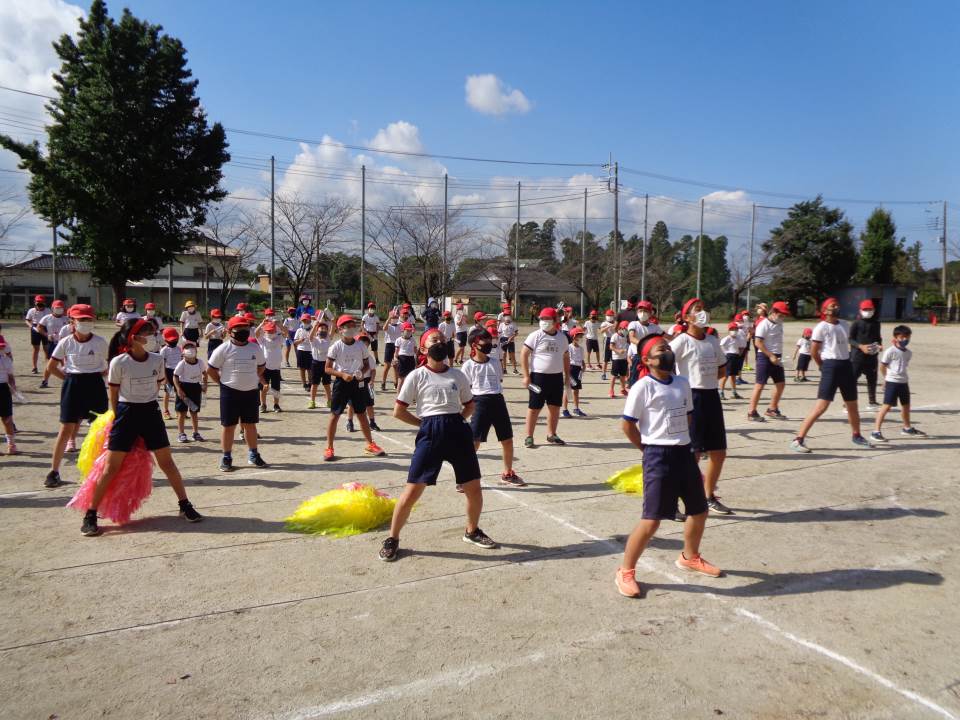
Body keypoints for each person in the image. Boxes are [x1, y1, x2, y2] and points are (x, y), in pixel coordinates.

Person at [615, 335, 721, 598]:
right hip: (658, 455)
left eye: (667, 348)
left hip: (683, 453)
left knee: (699, 511)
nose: (667, 353)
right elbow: (627, 424)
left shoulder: (683, 383)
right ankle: (625, 570)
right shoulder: (643, 387)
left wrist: (690, 446)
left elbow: (687, 416)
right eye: (660, 350)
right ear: (648, 360)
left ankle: (690, 556)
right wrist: (647, 449)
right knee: (651, 521)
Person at [379, 328, 498, 561]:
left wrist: (455, 421)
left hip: (458, 432)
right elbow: (398, 411)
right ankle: (393, 538)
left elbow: (470, 405)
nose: (440, 342)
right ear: (423, 348)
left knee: (473, 488)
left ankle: (472, 531)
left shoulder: (457, 374)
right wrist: (423, 425)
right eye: (434, 340)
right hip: (430, 433)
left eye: (442, 339)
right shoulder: (416, 375)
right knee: (412, 490)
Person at [79, 318, 202, 536]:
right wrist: (117, 419)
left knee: (167, 463)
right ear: (134, 338)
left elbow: (157, 384)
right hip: (126, 414)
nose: (155, 337)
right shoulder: (119, 362)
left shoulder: (156, 360)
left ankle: (185, 504)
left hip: (150, 413)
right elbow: (114, 395)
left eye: (155, 333)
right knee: (110, 468)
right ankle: (90, 513)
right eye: (149, 333)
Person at [670, 298, 731, 516]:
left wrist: (708, 379)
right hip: (691, 397)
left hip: (711, 396)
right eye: (697, 310)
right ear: (687, 318)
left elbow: (722, 370)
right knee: (691, 454)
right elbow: (664, 364)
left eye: (704, 309)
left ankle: (708, 496)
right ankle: (675, 500)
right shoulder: (681, 341)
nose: (703, 313)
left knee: (719, 452)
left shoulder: (713, 341)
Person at [790, 298, 874, 453]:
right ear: (824, 310)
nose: (836, 307)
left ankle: (856, 435)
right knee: (821, 406)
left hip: (845, 365)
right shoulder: (821, 327)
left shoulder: (844, 324)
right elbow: (814, 351)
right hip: (831, 365)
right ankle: (798, 439)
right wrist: (823, 366)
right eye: (832, 305)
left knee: (852, 405)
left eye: (837, 304)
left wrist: (861, 346)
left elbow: (850, 340)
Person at [44, 304, 109, 488]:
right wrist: (67, 379)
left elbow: (112, 363)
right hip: (73, 384)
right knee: (66, 428)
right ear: (72, 321)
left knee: (100, 430)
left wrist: (101, 375)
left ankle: (100, 470)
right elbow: (51, 367)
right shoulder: (66, 342)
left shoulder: (100, 342)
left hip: (95, 385)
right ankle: (54, 471)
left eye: (88, 319)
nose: (85, 323)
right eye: (81, 320)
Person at [207, 314, 268, 471]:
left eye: (245, 328)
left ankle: (253, 454)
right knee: (229, 426)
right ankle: (226, 457)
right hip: (230, 392)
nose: (243, 331)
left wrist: (253, 378)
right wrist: (222, 383)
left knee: (250, 425)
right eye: (238, 328)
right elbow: (211, 370)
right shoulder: (223, 349)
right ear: (229, 331)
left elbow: (261, 366)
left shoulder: (255, 347)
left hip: (250, 392)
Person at [323, 315, 386, 461]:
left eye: (352, 325)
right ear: (340, 329)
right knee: (335, 415)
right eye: (347, 326)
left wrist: (361, 373)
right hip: (341, 383)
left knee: (362, 413)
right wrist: (342, 374)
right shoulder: (336, 347)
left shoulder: (361, 346)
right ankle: (329, 448)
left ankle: (370, 445)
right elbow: (327, 368)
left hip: (358, 383)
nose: (350, 328)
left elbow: (365, 365)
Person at [521, 307, 570, 448]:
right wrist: (526, 376)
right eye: (542, 319)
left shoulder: (562, 337)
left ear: (555, 321)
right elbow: (524, 354)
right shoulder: (535, 335)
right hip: (538, 377)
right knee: (534, 407)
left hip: (556, 377)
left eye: (547, 319)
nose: (544, 321)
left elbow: (566, 357)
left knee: (554, 407)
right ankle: (529, 436)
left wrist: (567, 376)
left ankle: (551, 434)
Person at [872, 326, 924, 441]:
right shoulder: (890, 351)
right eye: (902, 337)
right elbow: (882, 366)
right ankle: (876, 431)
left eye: (907, 337)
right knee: (886, 406)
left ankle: (907, 428)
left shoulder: (908, 353)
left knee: (906, 406)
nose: (905, 339)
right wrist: (886, 379)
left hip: (903, 382)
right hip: (892, 382)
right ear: (896, 338)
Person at [746, 300, 791, 421]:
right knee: (760, 385)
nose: (783, 317)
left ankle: (772, 409)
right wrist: (770, 355)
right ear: (774, 312)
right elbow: (758, 342)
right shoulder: (764, 324)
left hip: (777, 357)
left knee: (780, 384)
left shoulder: (779, 324)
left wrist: (777, 356)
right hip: (764, 357)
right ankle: (751, 412)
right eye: (781, 315)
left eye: (784, 316)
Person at [849, 299, 882, 410]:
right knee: (852, 380)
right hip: (857, 357)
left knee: (872, 379)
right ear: (860, 310)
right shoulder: (856, 323)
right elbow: (850, 339)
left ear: (874, 310)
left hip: (872, 356)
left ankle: (872, 401)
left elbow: (878, 337)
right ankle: (848, 403)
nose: (867, 311)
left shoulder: (876, 323)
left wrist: (880, 345)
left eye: (870, 309)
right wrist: (860, 346)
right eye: (865, 309)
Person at [346, 331, 382, 433]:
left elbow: (373, 370)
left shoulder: (370, 358)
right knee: (352, 404)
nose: (364, 344)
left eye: (366, 342)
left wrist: (372, 380)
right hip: (354, 381)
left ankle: (372, 422)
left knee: (369, 404)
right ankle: (350, 422)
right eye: (361, 341)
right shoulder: (352, 356)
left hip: (366, 381)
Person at [172, 340, 207, 442]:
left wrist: (205, 384)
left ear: (196, 350)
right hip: (184, 388)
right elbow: (175, 376)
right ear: (183, 352)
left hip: (195, 388)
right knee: (182, 413)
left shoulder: (200, 362)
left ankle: (195, 433)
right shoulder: (182, 363)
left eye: (192, 347)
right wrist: (179, 389)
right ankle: (181, 434)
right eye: (187, 348)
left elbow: (204, 373)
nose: (190, 350)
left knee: (194, 412)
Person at [37, 300, 70, 389]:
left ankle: (67, 381)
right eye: (57, 308)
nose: (59, 310)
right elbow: (39, 327)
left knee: (65, 362)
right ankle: (45, 381)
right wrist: (46, 335)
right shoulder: (47, 318)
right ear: (52, 308)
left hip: (65, 343)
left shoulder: (66, 319)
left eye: (61, 308)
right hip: (53, 343)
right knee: (50, 363)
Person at [255, 319, 284, 412]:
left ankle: (276, 405)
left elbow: (286, 333)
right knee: (264, 387)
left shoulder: (279, 339)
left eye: (272, 330)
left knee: (276, 389)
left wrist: (279, 325)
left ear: (275, 330)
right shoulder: (262, 340)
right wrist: (262, 323)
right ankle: (263, 405)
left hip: (276, 368)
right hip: (265, 368)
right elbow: (256, 333)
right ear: (265, 331)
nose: (270, 332)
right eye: (268, 331)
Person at [562, 327, 587, 417]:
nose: (580, 338)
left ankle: (576, 408)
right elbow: (566, 359)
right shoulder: (569, 347)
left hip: (578, 370)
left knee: (576, 390)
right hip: (571, 369)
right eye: (579, 336)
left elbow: (581, 359)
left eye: (581, 336)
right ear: (573, 337)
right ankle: (565, 409)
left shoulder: (581, 348)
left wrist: (583, 365)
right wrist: (567, 372)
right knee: (568, 390)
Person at [307, 318, 332, 409]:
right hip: (315, 364)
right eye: (321, 328)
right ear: (317, 330)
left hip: (326, 364)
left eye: (325, 329)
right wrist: (315, 325)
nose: (323, 330)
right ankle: (312, 402)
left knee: (327, 384)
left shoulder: (328, 339)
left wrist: (333, 320)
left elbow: (332, 330)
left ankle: (329, 401)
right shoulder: (314, 339)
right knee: (314, 384)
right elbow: (310, 337)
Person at [159, 327, 182, 420]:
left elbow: (181, 361)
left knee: (178, 393)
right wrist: (165, 378)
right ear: (165, 340)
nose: (173, 341)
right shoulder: (164, 350)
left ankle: (178, 410)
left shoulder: (179, 349)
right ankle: (166, 411)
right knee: (168, 393)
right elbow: (162, 365)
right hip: (168, 372)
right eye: (171, 340)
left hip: (178, 373)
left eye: (175, 340)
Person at [24, 295, 51, 373]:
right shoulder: (31, 310)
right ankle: (34, 367)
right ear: (35, 302)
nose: (40, 303)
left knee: (46, 349)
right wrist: (31, 327)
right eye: (38, 302)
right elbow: (27, 320)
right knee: (36, 349)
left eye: (41, 302)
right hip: (35, 329)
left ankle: (48, 367)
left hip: (44, 328)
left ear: (44, 303)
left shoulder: (48, 310)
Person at [0, 337, 18, 455]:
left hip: (3, 389)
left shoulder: (6, 360)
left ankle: (11, 445)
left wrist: (13, 388)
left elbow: (10, 376)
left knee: (7, 419)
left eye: (1, 347)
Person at [718, 322, 743, 400]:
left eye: (735, 329)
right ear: (729, 330)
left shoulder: (739, 338)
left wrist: (739, 353)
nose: (734, 331)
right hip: (729, 357)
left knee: (733, 376)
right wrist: (725, 354)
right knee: (725, 375)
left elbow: (741, 347)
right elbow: (721, 346)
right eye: (732, 329)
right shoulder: (727, 338)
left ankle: (734, 392)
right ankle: (721, 392)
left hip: (735, 356)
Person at [607, 320, 630, 398]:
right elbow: (611, 347)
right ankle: (611, 390)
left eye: (627, 330)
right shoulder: (615, 336)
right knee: (614, 375)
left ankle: (622, 389)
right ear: (621, 328)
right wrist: (618, 351)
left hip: (624, 358)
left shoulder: (626, 337)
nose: (627, 331)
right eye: (625, 329)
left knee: (623, 376)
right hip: (616, 358)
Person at [293, 312, 315, 390]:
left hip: (310, 351)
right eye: (304, 321)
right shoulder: (299, 330)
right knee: (302, 369)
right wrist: (300, 340)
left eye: (307, 320)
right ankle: (304, 384)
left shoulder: (313, 329)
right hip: (301, 350)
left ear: (310, 321)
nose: (305, 322)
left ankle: (310, 383)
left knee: (310, 369)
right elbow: (295, 342)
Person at [394, 321, 417, 392]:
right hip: (402, 359)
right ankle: (399, 396)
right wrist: (395, 358)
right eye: (407, 330)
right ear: (403, 330)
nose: (409, 332)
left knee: (410, 378)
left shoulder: (413, 340)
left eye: (410, 330)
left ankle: (411, 396)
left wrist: (417, 361)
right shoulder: (398, 340)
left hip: (411, 359)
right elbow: (396, 352)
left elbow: (415, 351)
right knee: (401, 379)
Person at [382, 310, 401, 390]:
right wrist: (389, 318)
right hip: (389, 345)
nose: (395, 318)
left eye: (396, 317)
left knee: (395, 366)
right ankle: (383, 383)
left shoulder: (400, 325)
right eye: (393, 317)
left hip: (397, 346)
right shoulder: (388, 325)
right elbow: (384, 328)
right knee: (387, 366)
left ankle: (396, 383)